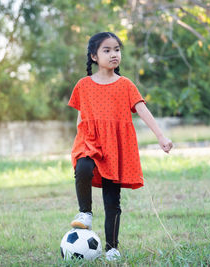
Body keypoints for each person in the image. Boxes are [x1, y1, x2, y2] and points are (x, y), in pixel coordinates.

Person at [68, 32, 173, 261]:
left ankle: (112, 248)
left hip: (116, 147)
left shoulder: (125, 85)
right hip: (90, 141)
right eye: (107, 50)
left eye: (117, 49)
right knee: (83, 168)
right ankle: (85, 212)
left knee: (112, 200)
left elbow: (143, 111)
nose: (114, 54)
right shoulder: (83, 85)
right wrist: (78, 143)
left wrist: (161, 137)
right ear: (94, 56)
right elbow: (81, 117)